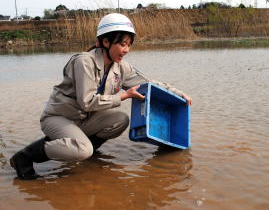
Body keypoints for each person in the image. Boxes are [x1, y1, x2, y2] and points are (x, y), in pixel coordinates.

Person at [10, 13, 192, 180]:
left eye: (129, 44)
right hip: (59, 117)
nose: (126, 49)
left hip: (84, 119)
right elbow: (87, 101)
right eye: (122, 44)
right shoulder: (84, 61)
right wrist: (123, 96)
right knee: (82, 149)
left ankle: (83, 147)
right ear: (106, 42)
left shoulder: (121, 67)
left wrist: (177, 92)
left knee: (120, 119)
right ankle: (25, 157)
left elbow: (148, 84)